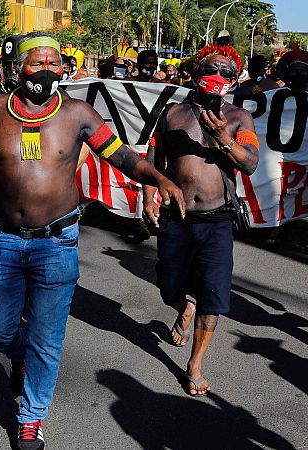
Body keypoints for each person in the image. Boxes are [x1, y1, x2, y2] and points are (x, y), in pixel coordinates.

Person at [0, 33, 184, 449]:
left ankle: (31, 415)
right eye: (36, 61)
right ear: (16, 68)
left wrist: (158, 178)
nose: (46, 69)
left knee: (48, 337)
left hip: (57, 244)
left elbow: (122, 157)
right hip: (3, 241)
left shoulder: (79, 114)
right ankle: (22, 357)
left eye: (53, 62)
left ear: (63, 69)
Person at [143, 43, 258, 397]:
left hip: (218, 220)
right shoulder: (174, 112)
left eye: (227, 71)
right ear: (196, 71)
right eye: (213, 67)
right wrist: (148, 197)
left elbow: (250, 162)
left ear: (235, 78)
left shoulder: (240, 118)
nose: (219, 75)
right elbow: (153, 154)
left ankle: (195, 364)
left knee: (213, 294)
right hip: (175, 216)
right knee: (168, 287)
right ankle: (184, 306)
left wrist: (224, 139)